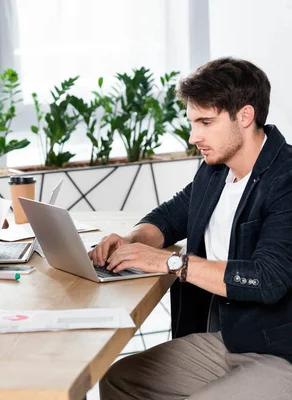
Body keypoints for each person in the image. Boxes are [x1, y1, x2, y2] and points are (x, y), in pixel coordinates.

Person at [90, 57, 292, 399]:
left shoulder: (285, 179)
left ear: (245, 116)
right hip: (228, 339)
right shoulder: (215, 170)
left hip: (279, 353)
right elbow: (170, 217)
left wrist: (172, 263)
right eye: (192, 122)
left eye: (205, 122)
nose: (193, 135)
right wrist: (129, 241)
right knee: (118, 379)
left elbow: (268, 279)